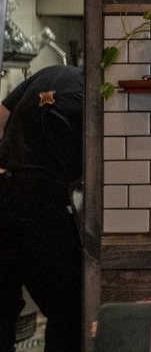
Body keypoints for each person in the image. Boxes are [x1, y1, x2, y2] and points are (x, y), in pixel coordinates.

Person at [0, 65, 84, 352]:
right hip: (46, 205)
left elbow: (0, 118)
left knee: (2, 304)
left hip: (5, 191)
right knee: (68, 310)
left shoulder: (52, 72)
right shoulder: (93, 96)